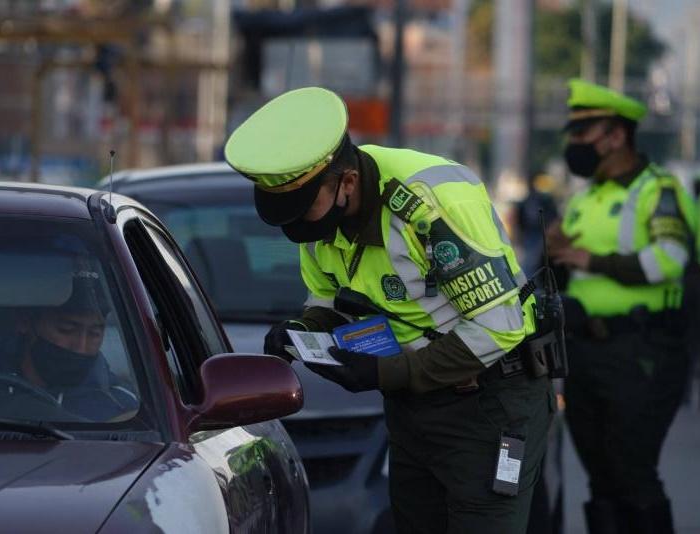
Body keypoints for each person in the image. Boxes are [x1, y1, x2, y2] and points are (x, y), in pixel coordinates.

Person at [224, 87, 555, 534]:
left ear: (347, 182)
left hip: (491, 403)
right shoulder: (319, 220)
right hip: (412, 408)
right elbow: (329, 297)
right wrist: (302, 329)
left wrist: (386, 373)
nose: (296, 226)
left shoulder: (431, 202)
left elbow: (499, 327)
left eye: (302, 209)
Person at [548, 79, 696, 534]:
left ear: (616, 135)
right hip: (585, 352)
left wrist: (590, 259)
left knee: (632, 473)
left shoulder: (658, 190)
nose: (575, 143)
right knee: (601, 478)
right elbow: (566, 272)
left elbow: (670, 259)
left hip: (642, 351)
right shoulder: (584, 198)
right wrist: (553, 255)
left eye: (584, 132)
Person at [0, 270, 138, 421]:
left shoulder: (124, 408)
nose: (80, 347)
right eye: (66, 330)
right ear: (25, 322)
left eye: (94, 334)